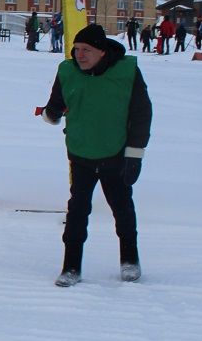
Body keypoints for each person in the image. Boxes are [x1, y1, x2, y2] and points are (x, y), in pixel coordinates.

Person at [39, 24, 152, 287]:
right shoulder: (67, 71)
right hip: (81, 153)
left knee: (122, 209)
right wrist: (51, 113)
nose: (79, 55)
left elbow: (141, 115)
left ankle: (130, 260)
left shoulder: (126, 72)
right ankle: (71, 267)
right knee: (77, 210)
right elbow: (57, 101)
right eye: (76, 49)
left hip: (116, 153)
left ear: (102, 52)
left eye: (86, 50)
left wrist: (134, 155)